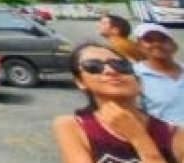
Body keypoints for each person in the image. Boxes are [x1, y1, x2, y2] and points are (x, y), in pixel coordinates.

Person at [52, 42, 184, 162]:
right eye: (93, 66)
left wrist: (138, 137)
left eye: (120, 65)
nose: (110, 71)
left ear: (138, 83)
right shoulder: (72, 126)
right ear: (80, 82)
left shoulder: (173, 134)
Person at [134, 23, 184, 126]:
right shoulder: (134, 74)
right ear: (139, 46)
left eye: (163, 40)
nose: (156, 44)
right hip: (165, 135)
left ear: (174, 46)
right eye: (149, 40)